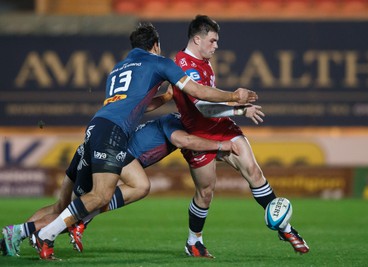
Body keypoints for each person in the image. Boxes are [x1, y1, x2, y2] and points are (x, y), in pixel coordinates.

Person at [27, 22, 257, 260]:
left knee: (138, 186)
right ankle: (46, 234)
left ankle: (32, 232)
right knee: (100, 195)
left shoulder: (118, 68)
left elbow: (139, 105)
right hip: (113, 132)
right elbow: (197, 91)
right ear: (155, 45)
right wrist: (233, 97)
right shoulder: (160, 63)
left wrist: (166, 97)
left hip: (98, 126)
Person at [1, 112, 239, 256]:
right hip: (113, 154)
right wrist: (222, 146)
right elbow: (185, 140)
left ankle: (14, 233)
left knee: (62, 207)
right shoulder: (176, 122)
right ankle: (43, 230)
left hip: (92, 147)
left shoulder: (174, 121)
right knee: (133, 189)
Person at [171, 15, 309, 257]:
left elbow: (212, 101)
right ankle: (194, 241)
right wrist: (239, 108)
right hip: (198, 135)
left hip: (222, 126)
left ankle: (285, 228)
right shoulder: (185, 66)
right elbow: (202, 107)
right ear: (197, 39)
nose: (216, 46)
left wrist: (233, 111)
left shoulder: (205, 61)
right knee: (205, 192)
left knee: (254, 172)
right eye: (212, 41)